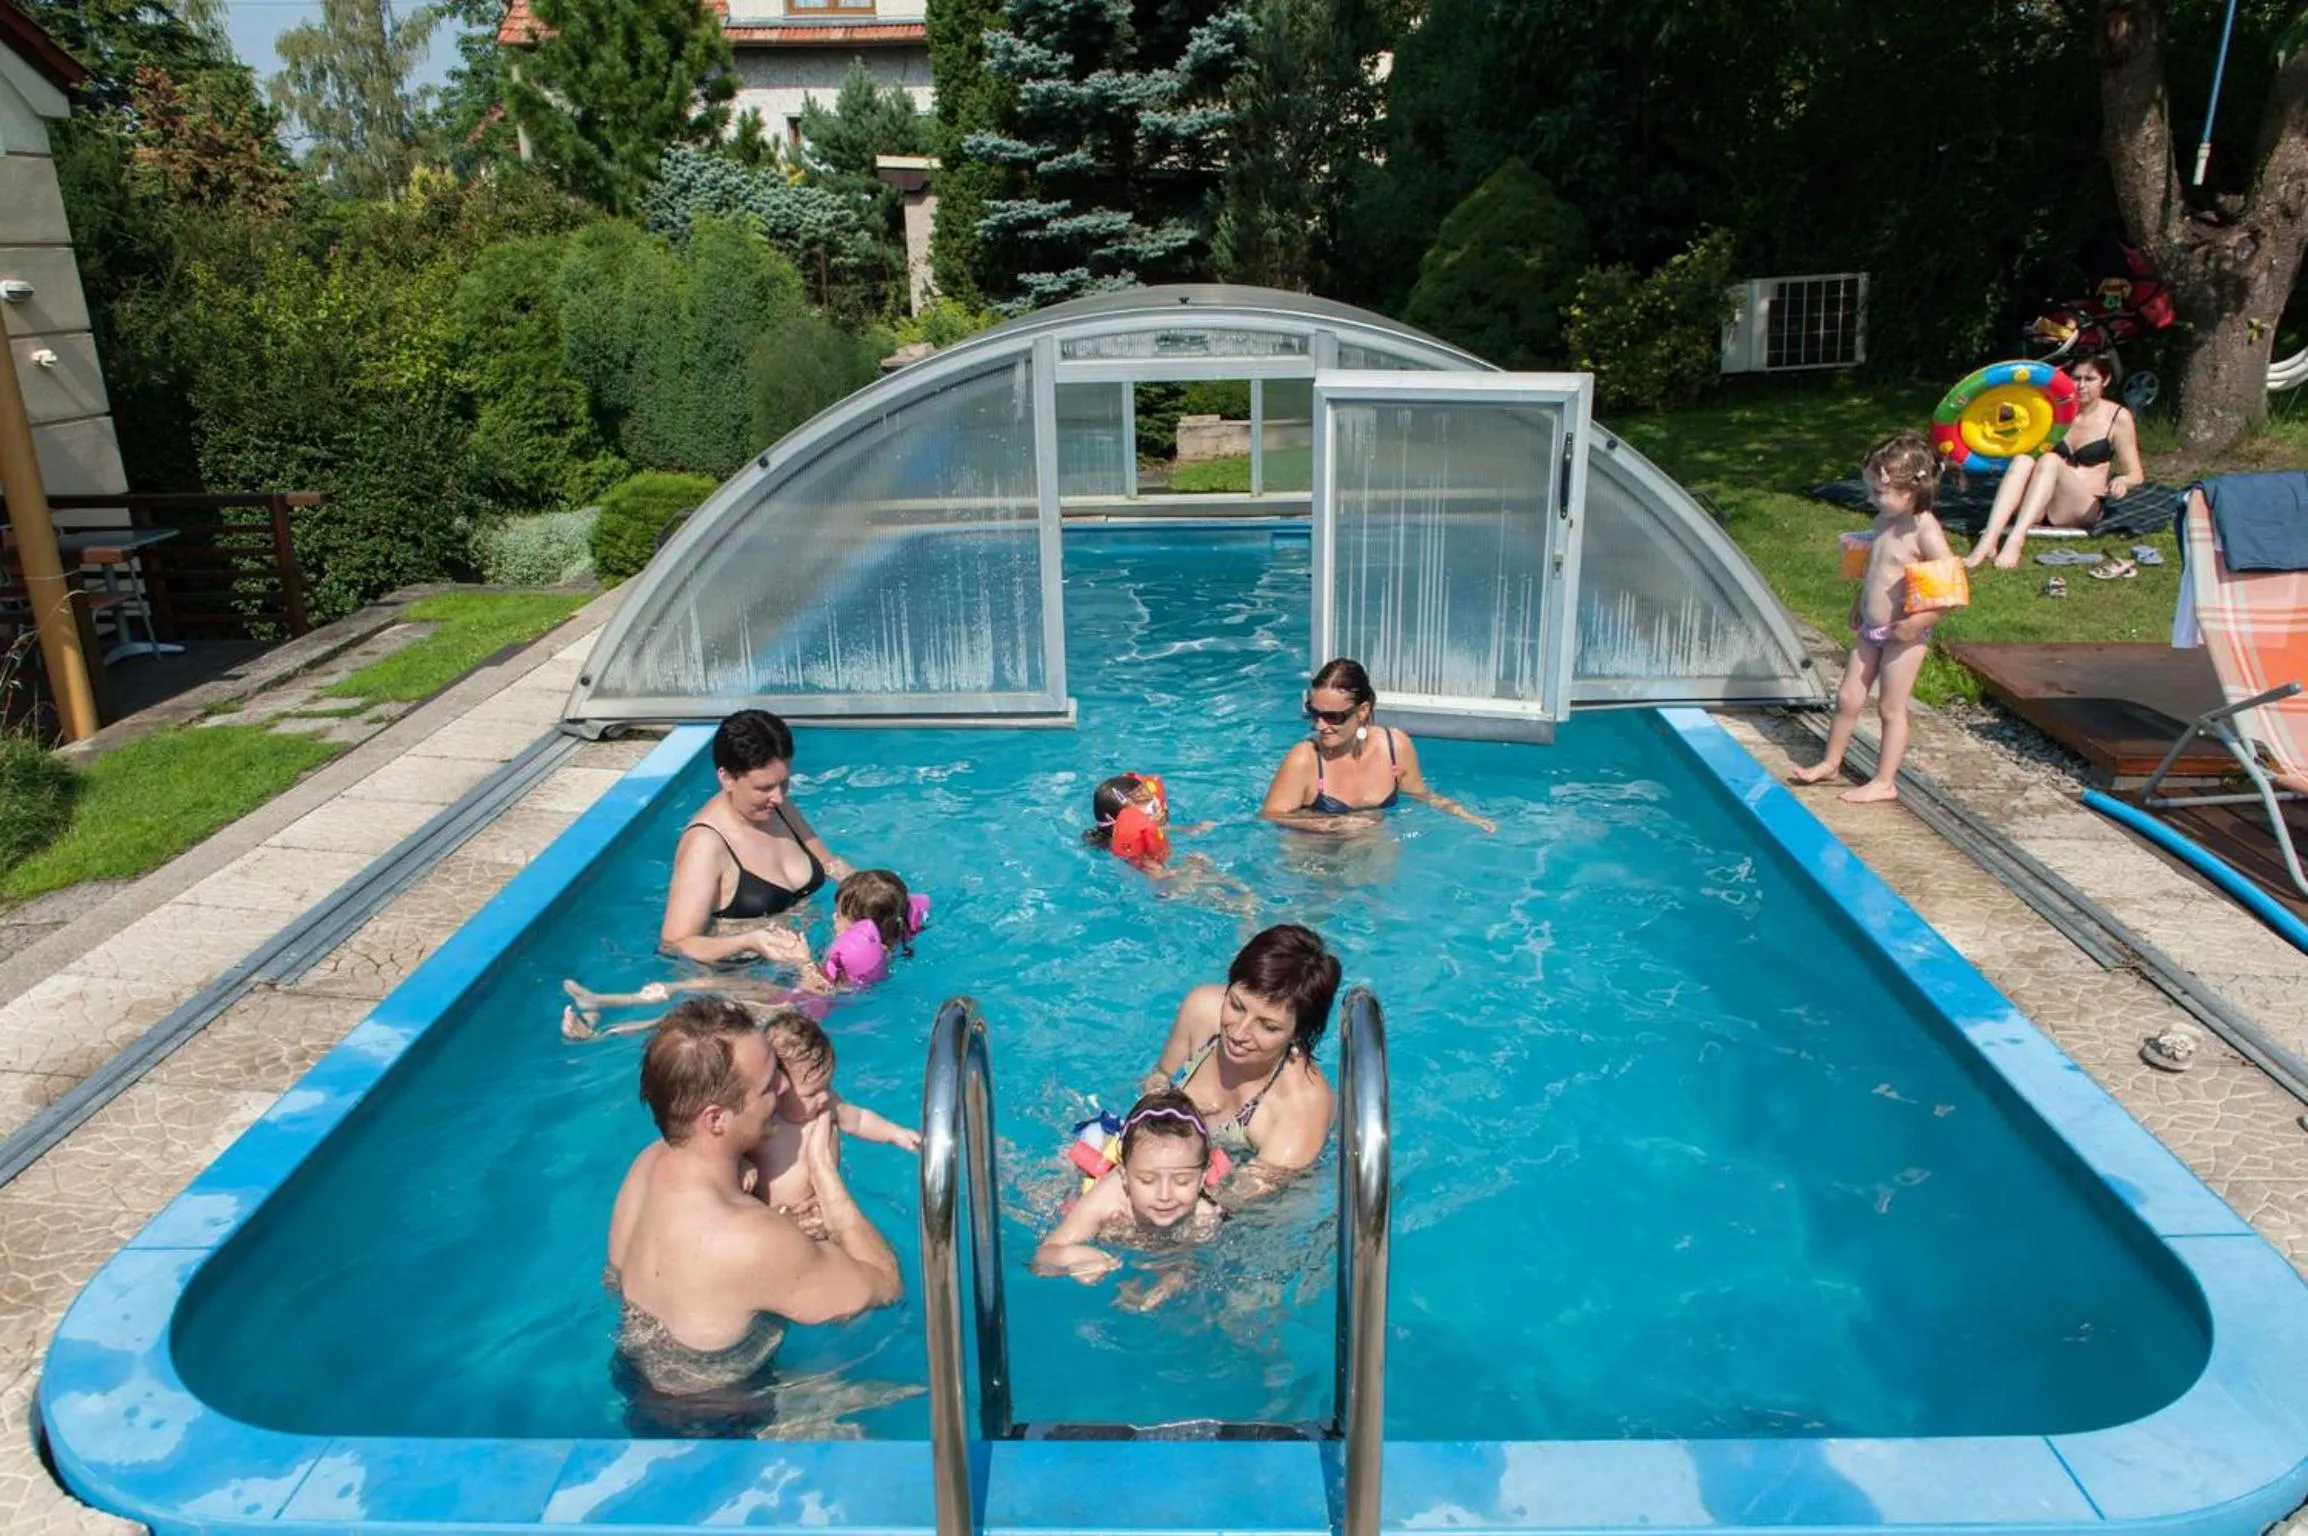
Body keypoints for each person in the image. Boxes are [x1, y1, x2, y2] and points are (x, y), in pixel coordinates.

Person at [605, 999, 902, 1403]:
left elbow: (618, 1284)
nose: (784, 1086)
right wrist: (825, 1177)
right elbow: (885, 1286)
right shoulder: (751, 1240)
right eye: (768, 1085)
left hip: (636, 1379)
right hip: (720, 1415)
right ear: (715, 1120)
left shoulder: (643, 1168)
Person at [1791, 430, 1958, 804]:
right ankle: (1831, 762)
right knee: (1848, 697)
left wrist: (1916, 623)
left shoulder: (1925, 530)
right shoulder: (1885, 519)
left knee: (1890, 708)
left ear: (1911, 489)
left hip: (1904, 634)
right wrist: (1859, 602)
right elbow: (1877, 571)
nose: (1870, 498)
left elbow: (1951, 592)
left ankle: (1884, 782)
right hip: (1871, 628)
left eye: (1878, 491)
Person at [565, 871, 927, 1039]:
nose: (833, 919)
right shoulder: (883, 946)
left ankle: (603, 1033)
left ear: (860, 926)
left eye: (839, 915)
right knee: (711, 984)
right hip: (792, 998)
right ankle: (603, 1000)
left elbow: (825, 994)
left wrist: (803, 962)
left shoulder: (861, 956)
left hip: (797, 1013)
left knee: (704, 1015)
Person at [1139, 923, 1340, 1195]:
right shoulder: (1202, 1009)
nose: (1239, 1033)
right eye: (1236, 1005)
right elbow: (1159, 1080)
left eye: (1268, 1026)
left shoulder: (1300, 1108)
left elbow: (1234, 1201)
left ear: (1297, 1034)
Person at [662, 710, 852, 968]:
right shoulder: (705, 844)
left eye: (783, 783)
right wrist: (748, 941)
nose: (779, 797)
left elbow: (830, 864)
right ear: (727, 778)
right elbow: (675, 944)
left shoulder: (776, 807)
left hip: (804, 960)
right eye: (764, 788)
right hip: (742, 976)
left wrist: (878, 892)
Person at [1034, 1089, 1226, 1307]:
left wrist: (1166, 1286)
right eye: (1147, 1180)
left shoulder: (1204, 1217)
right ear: (1124, 1176)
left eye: (1182, 1181)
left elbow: (1186, 1265)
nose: (1164, 1195)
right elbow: (1043, 1257)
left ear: (1202, 1179)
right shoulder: (1106, 1201)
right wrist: (1077, 1259)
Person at [1259, 658, 1494, 833]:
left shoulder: (1395, 747)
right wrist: (1331, 824)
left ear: (1362, 711)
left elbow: (1422, 795)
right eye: (1314, 713)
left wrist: (1466, 816)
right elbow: (1270, 815)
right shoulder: (1305, 758)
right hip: (1314, 851)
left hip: (1373, 846)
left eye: (1333, 717)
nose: (1320, 725)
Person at [750, 1007, 921, 1238]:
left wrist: (895, 1133)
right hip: (781, 1219)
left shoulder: (827, 1103)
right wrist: (743, 1167)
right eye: (812, 1093)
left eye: (827, 1085)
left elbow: (858, 1120)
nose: (824, 1097)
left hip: (824, 1209)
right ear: (778, 1087)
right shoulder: (764, 1125)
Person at [1964, 354, 2145, 571]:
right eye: (2076, 378)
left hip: (2080, 507)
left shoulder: (2117, 417)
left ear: (2105, 381)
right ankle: (1988, 540)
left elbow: (2135, 474)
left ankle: (2015, 540)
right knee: (2022, 460)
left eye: (2090, 379)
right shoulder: (2053, 411)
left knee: (2051, 459)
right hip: (2041, 505)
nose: (2081, 386)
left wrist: (2123, 481)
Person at [1084, 771, 1258, 918]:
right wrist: (1179, 872)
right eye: (1151, 808)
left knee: (1197, 860)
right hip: (1162, 895)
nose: (1158, 810)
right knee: (1198, 861)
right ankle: (1241, 906)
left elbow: (1156, 828)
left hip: (1160, 883)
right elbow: (1157, 877)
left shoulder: (1130, 831)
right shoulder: (1132, 851)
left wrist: (1188, 828)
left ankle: (1245, 897)